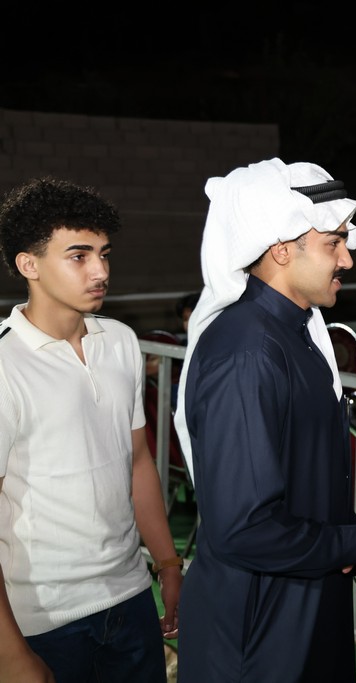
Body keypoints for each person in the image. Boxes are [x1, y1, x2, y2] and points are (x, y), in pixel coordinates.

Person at [173, 159, 356, 683]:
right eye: (334, 243)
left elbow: (305, 494)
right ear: (282, 249)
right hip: (257, 632)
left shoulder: (294, 336)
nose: (347, 259)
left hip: (305, 605)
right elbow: (246, 529)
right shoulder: (247, 352)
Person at [0, 178, 180, 683]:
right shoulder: (5, 364)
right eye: (78, 256)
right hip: (44, 618)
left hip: (130, 593)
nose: (100, 271)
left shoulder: (120, 341)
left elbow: (137, 461)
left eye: (103, 254)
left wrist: (167, 563)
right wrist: (10, 656)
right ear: (29, 265)